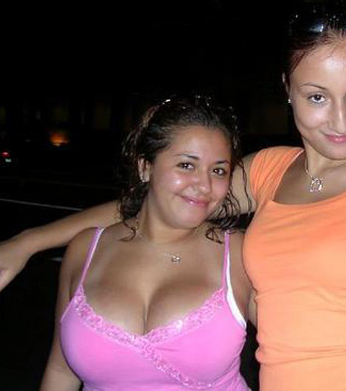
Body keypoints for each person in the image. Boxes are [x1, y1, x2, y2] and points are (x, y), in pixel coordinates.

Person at [0, 3, 346, 390]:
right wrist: (29, 242)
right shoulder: (267, 171)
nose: (341, 120)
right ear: (288, 92)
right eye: (317, 97)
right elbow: (161, 204)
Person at [41, 95, 253, 390]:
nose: (204, 186)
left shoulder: (241, 254)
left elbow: (296, 350)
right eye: (186, 165)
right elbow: (61, 371)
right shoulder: (85, 249)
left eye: (218, 170)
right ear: (145, 167)